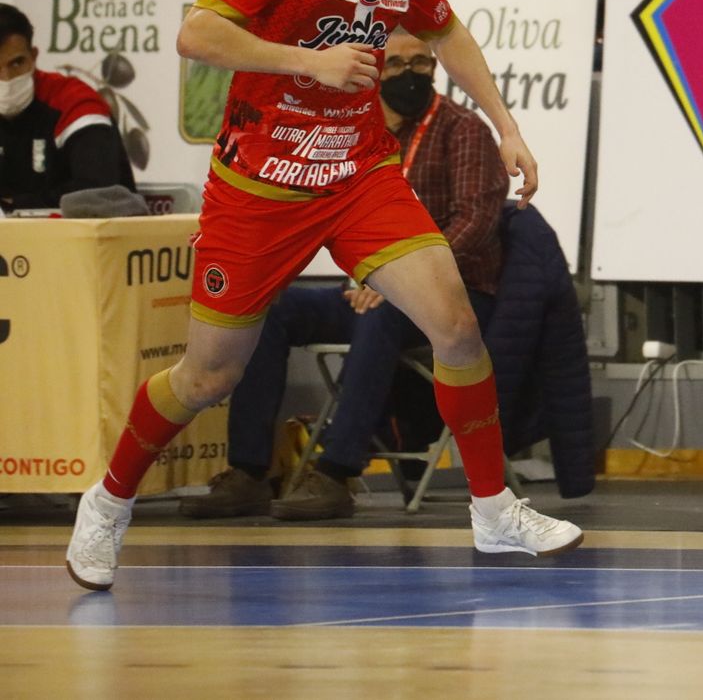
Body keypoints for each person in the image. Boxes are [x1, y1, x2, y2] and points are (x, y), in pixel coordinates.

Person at [64, 0, 582, 592]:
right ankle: (107, 501)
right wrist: (304, 61)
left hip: (358, 176)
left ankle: (493, 510)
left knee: (456, 324)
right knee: (208, 377)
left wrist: (507, 126)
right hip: (258, 190)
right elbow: (198, 34)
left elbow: (449, 36)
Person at [176, 28, 507, 520]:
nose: (409, 75)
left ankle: (336, 471)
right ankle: (249, 470)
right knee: (275, 311)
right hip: (363, 288)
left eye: (421, 63)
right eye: (395, 65)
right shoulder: (351, 129)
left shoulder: (463, 130)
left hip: (449, 294)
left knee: (386, 312)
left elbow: (475, 220)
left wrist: (397, 279)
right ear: (372, 70)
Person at [0, 3, 135, 210]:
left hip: (87, 237)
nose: (7, 78)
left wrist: (13, 205)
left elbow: (99, 191)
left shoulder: (73, 102)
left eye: (17, 63)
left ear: (33, 57)